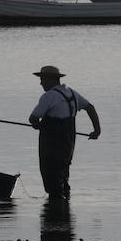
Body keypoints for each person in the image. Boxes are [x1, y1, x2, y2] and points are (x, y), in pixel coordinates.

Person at [27, 65, 100, 201]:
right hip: (68, 143)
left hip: (51, 146)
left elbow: (33, 118)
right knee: (63, 173)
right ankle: (64, 209)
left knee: (52, 177)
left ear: (50, 79)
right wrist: (97, 130)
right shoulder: (71, 93)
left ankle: (56, 213)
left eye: (42, 79)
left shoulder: (48, 97)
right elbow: (90, 108)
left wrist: (38, 126)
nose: (41, 83)